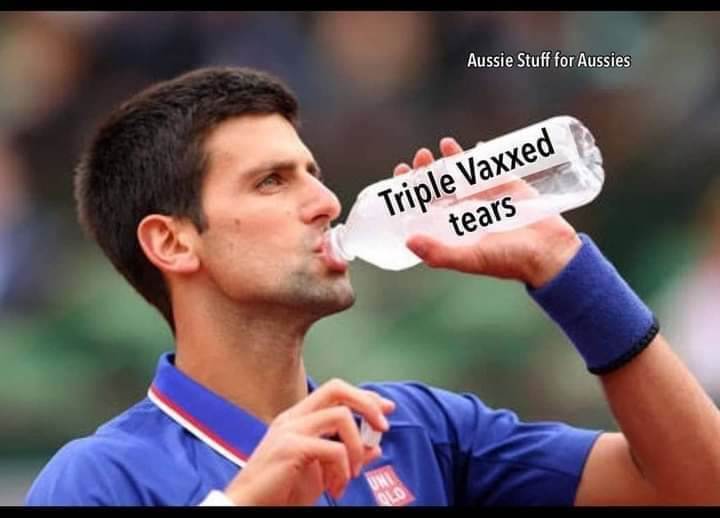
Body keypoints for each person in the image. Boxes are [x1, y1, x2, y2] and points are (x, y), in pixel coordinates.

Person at [25, 67, 720, 506]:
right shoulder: (98, 479)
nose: (326, 202)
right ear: (172, 242)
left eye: (313, 172)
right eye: (271, 181)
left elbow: (695, 486)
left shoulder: (419, 429)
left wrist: (569, 271)